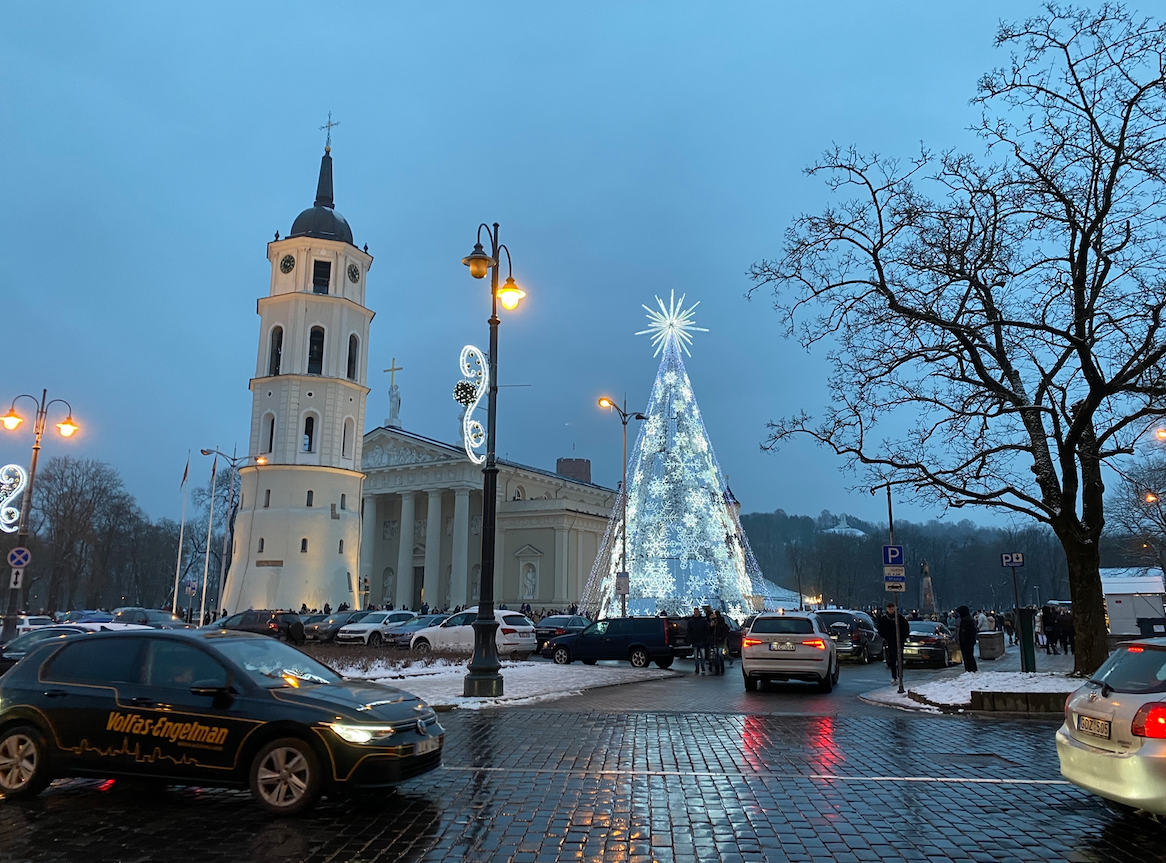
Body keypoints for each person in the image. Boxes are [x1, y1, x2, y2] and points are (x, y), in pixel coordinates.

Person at [876, 603, 909, 683]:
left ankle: (900, 675)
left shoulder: (900, 618)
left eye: (892, 609)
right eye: (889, 609)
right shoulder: (884, 619)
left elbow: (906, 628)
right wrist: (886, 637)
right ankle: (894, 676)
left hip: (899, 641)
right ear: (887, 609)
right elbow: (880, 629)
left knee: (900, 659)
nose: (891, 610)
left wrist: (903, 637)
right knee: (892, 659)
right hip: (890, 641)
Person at [956, 605, 978, 673]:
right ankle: (972, 668)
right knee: (969, 655)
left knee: (967, 656)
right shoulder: (969, 619)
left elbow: (965, 631)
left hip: (966, 641)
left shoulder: (965, 620)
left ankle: (969, 669)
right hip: (969, 640)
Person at [688, 608, 709, 675]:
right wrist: (691, 639)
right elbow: (689, 631)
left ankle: (702, 666)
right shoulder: (691, 621)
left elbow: (707, 630)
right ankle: (697, 667)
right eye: (695, 612)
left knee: (702, 656)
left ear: (699, 612)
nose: (696, 613)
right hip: (695, 641)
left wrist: (705, 638)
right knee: (696, 656)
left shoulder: (703, 621)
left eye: (697, 612)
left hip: (702, 641)